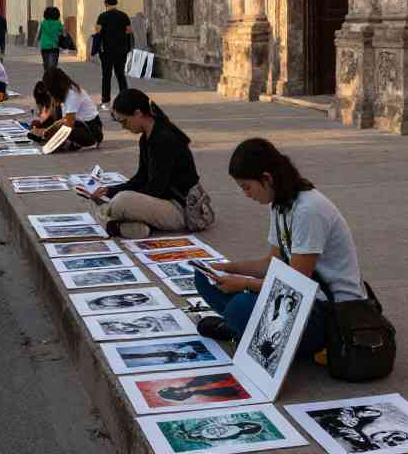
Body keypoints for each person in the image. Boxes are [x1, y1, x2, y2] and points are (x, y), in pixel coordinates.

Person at [194, 138, 366, 357]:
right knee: (204, 279)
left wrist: (243, 284)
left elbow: (295, 285)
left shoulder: (308, 210)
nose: (246, 194)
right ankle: (244, 328)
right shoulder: (280, 204)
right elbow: (271, 263)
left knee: (241, 305)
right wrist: (226, 268)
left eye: (247, 187)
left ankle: (243, 327)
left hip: (330, 313)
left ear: (266, 179)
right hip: (302, 299)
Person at [89, 89, 200, 239]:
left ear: (138, 113)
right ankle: (129, 227)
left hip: (180, 210)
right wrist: (110, 191)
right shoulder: (146, 138)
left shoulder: (164, 138)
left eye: (124, 121)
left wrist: (124, 199)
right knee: (114, 201)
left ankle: (111, 222)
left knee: (118, 203)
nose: (124, 127)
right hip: (161, 202)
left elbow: (156, 189)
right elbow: (141, 177)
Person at [42, 67, 103, 150]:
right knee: (51, 126)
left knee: (63, 131)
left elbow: (68, 125)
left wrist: (52, 138)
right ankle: (70, 143)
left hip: (91, 130)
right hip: (80, 124)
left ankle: (78, 143)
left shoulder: (72, 95)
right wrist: (47, 129)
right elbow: (63, 118)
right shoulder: (64, 93)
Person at [94, 0, 133, 110]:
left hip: (106, 51)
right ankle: (126, 101)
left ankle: (106, 102)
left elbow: (97, 30)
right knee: (120, 74)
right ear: (116, 3)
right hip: (121, 50)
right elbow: (129, 31)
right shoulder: (124, 15)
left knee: (106, 76)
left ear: (106, 4)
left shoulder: (102, 16)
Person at [38, 6, 63, 71]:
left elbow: (39, 34)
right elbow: (62, 33)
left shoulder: (43, 23)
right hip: (54, 47)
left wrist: (37, 40)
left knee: (46, 64)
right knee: (53, 65)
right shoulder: (58, 23)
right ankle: (52, 77)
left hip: (44, 47)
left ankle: (47, 75)